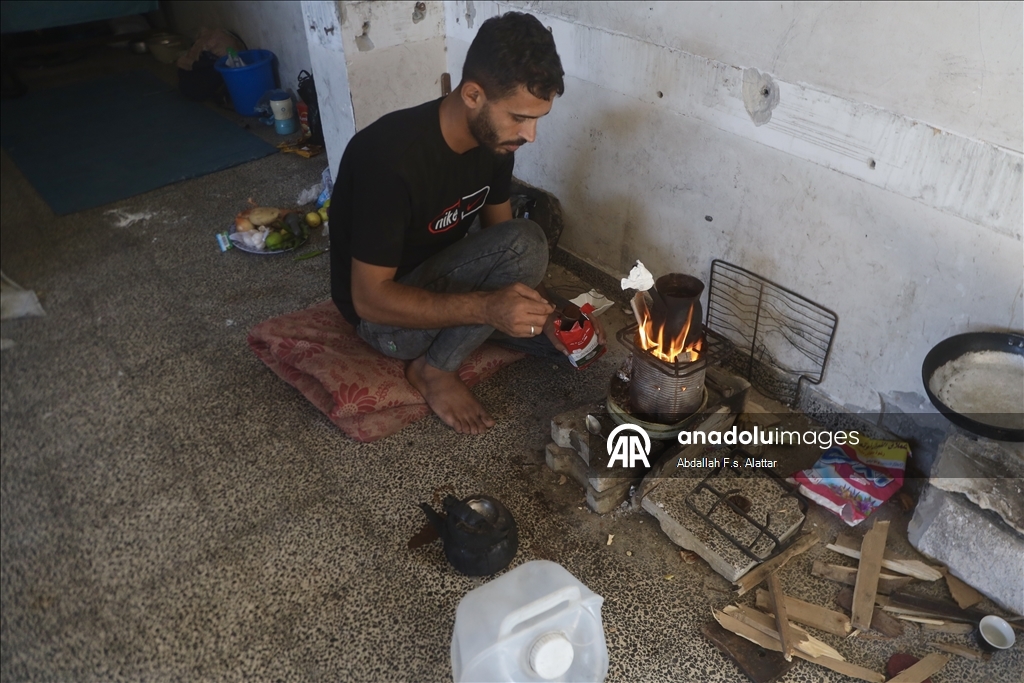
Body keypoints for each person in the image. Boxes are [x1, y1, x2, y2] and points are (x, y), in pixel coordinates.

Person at [329, 12, 602, 435]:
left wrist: (547, 313)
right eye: (519, 117)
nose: (530, 136)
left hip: (446, 283)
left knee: (560, 341)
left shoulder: (496, 144)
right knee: (529, 244)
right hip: (388, 324)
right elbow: (369, 301)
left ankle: (517, 325)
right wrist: (487, 307)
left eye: (536, 119)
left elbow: (499, 241)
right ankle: (434, 370)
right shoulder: (388, 160)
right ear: (473, 94)